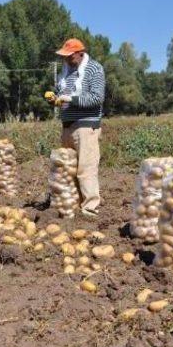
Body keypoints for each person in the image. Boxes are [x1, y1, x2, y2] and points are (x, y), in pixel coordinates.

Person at [50, 38, 106, 217]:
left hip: (85, 126)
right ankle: (71, 204)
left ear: (80, 53)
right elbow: (63, 94)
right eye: (64, 57)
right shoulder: (66, 72)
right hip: (67, 126)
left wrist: (71, 99)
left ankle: (90, 208)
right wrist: (56, 99)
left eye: (70, 56)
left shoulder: (94, 69)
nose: (66, 60)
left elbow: (97, 98)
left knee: (86, 169)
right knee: (68, 169)